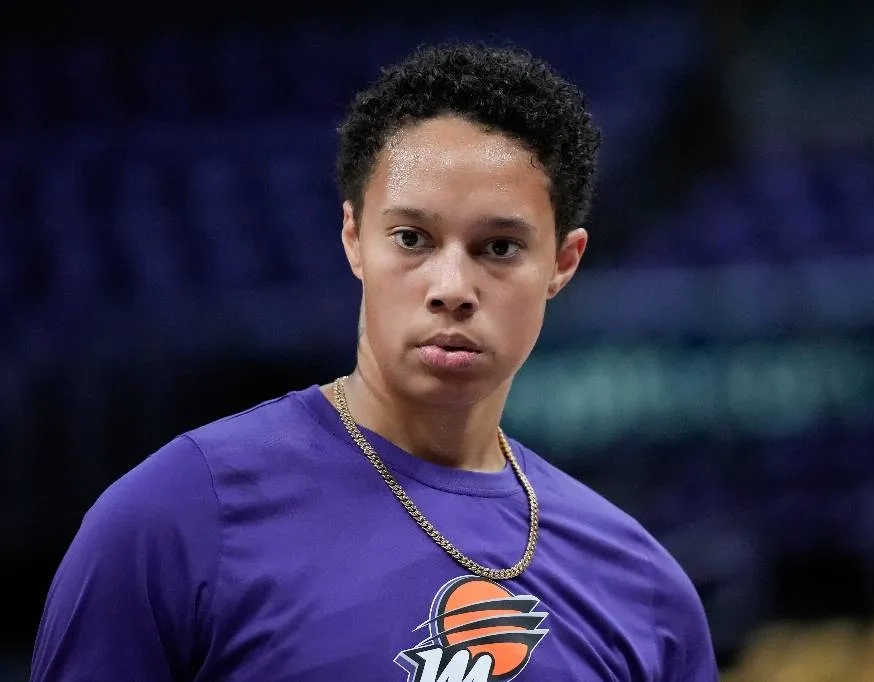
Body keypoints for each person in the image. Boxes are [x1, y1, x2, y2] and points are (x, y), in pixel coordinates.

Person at [30, 42, 718, 681]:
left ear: (562, 264)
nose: (452, 287)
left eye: (500, 248)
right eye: (412, 238)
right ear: (354, 237)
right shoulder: (176, 518)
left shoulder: (643, 590)